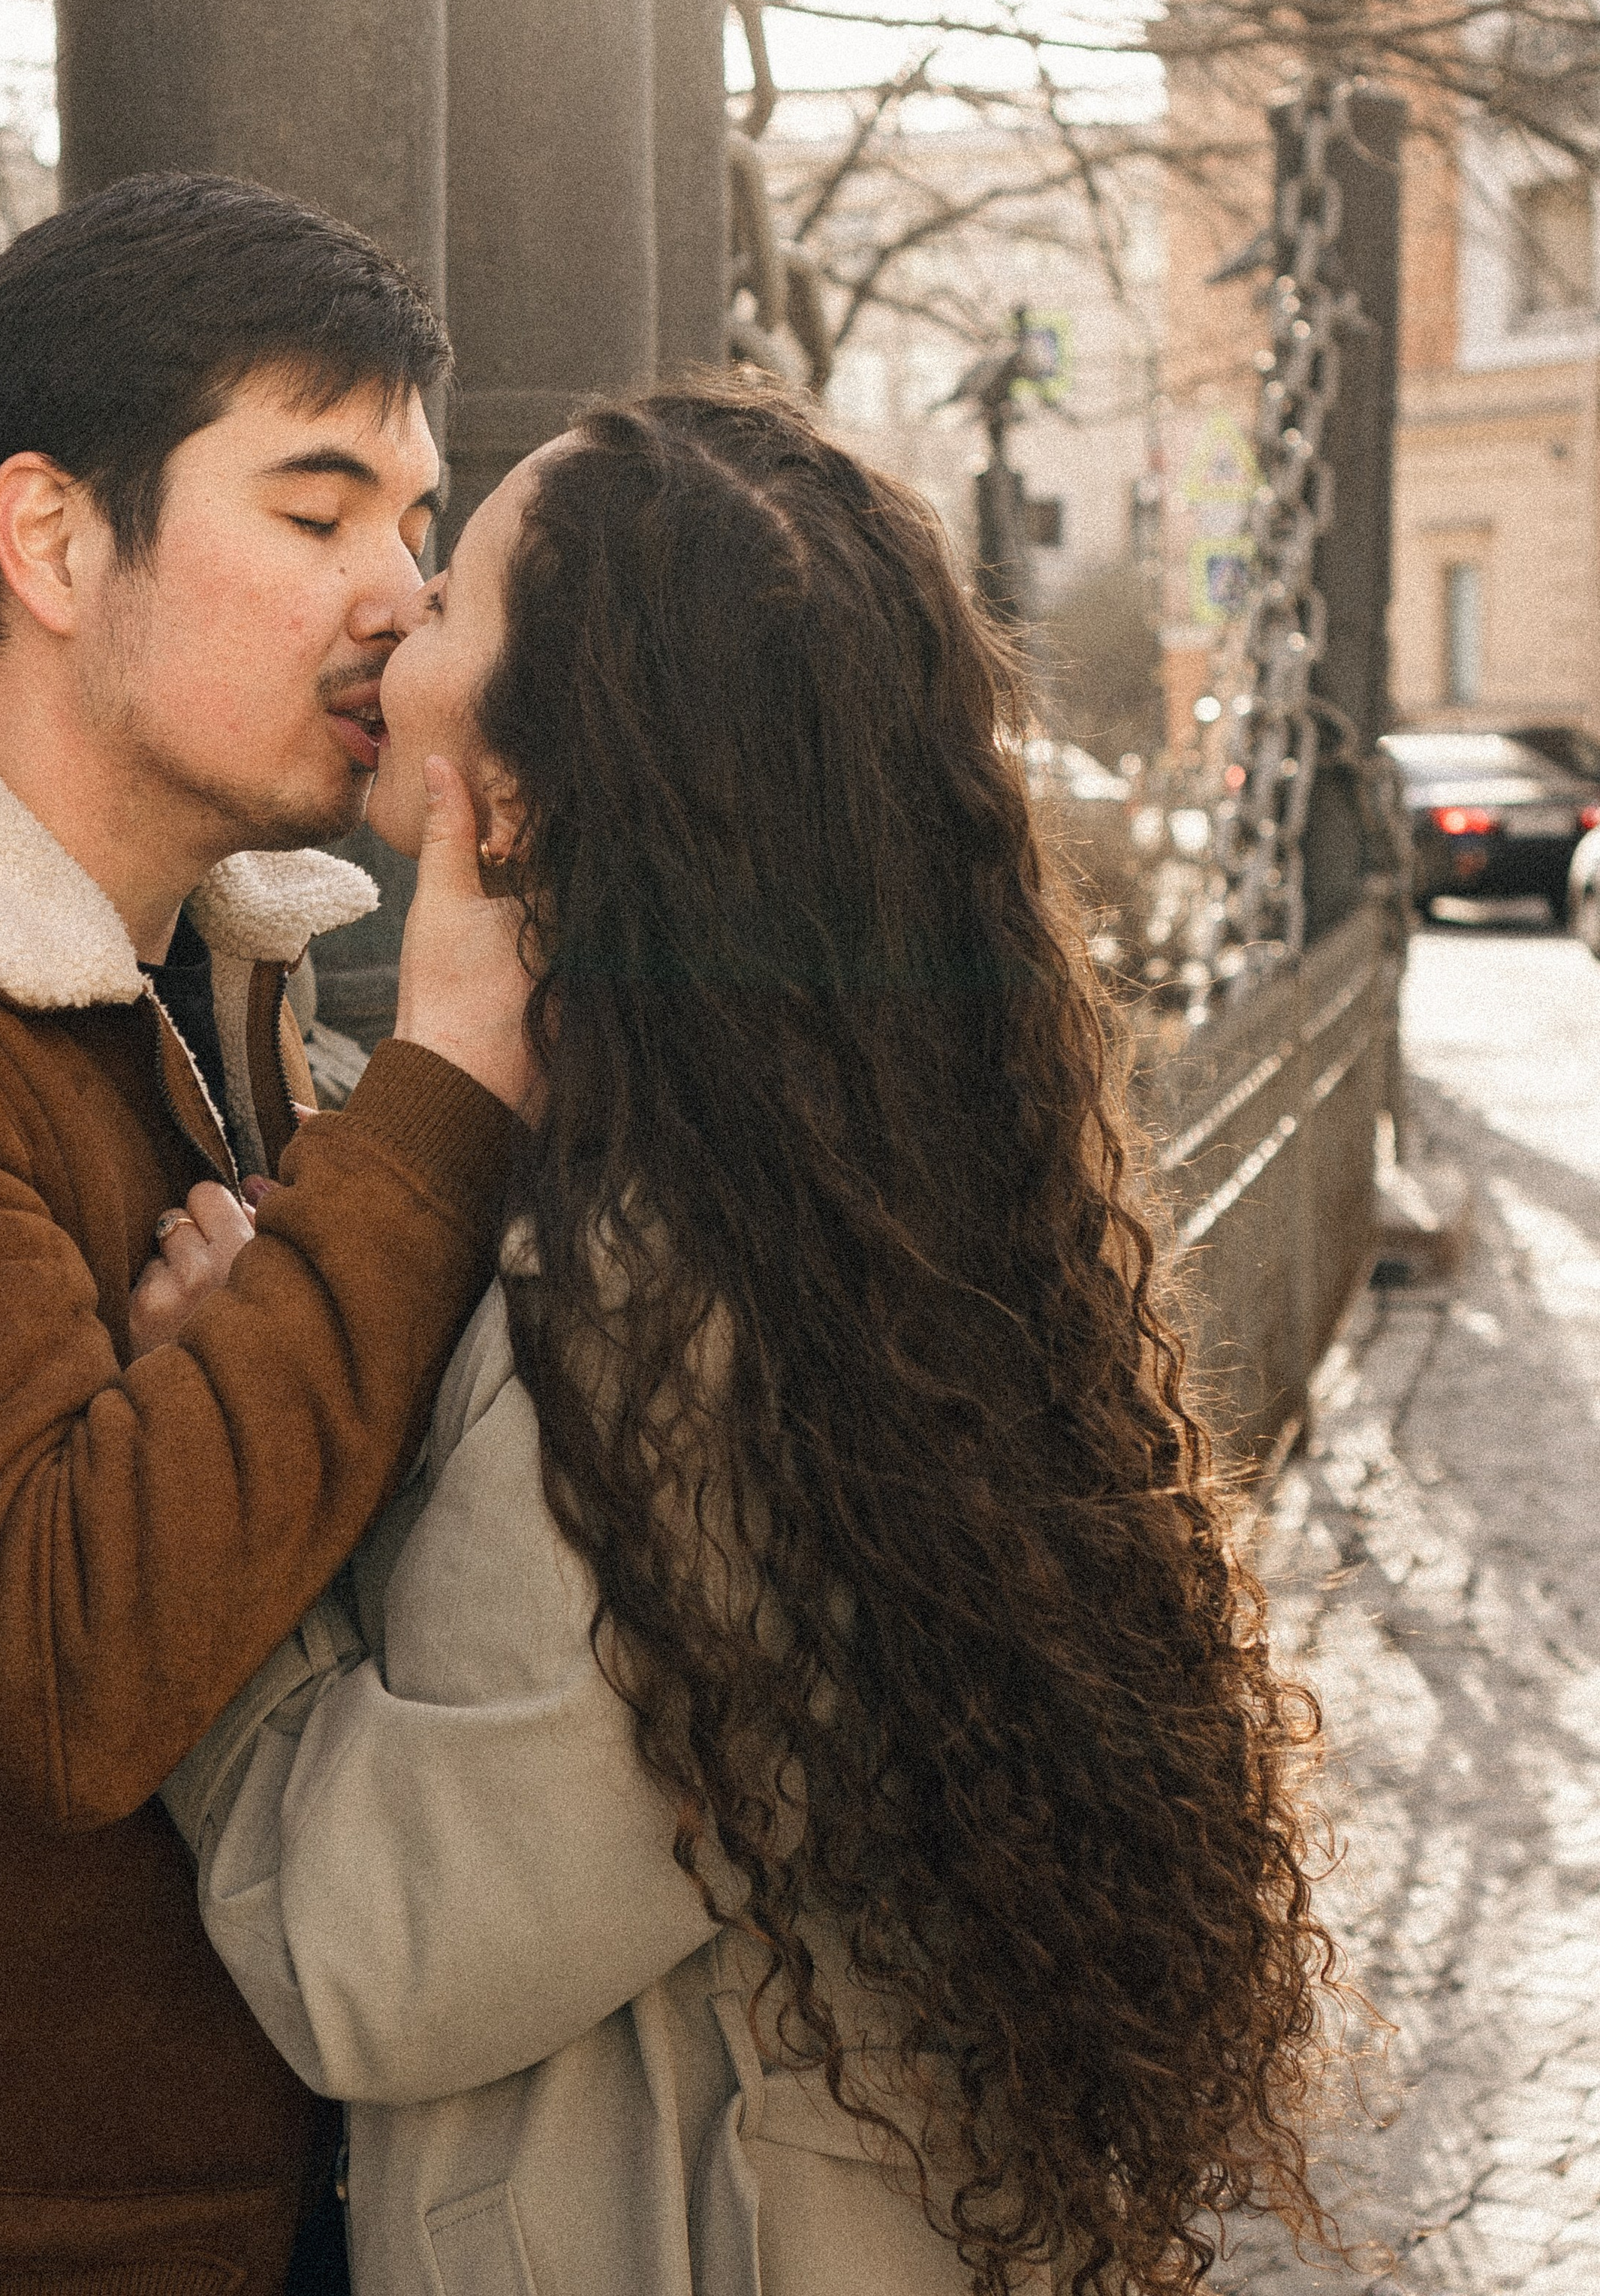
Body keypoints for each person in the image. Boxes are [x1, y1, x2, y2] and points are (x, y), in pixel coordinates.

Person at [144, 379, 1343, 2295]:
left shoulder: (662, 1308)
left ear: (530, 787)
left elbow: (375, 1955)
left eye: (445, 598)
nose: (386, 615)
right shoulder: (840, 1181)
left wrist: (226, 1446)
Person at [0, 172, 535, 2296]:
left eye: (417, 527)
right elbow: (54, 1669)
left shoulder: (204, 963)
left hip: (263, 2180)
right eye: (318, 510)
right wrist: (448, 1080)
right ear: (55, 540)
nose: (400, 600)